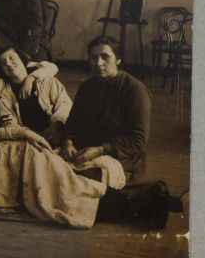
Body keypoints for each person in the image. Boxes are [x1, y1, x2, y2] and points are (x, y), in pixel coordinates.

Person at [62, 36, 153, 186]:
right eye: (94, 57)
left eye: (105, 57)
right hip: (86, 148)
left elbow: (138, 139)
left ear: (118, 59)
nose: (99, 63)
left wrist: (101, 150)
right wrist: (68, 142)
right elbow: (73, 122)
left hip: (123, 155)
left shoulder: (134, 90)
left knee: (82, 178)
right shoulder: (87, 87)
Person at [0, 46, 71, 142]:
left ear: (22, 60)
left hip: (57, 132)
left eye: (12, 58)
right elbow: (9, 123)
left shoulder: (47, 81)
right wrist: (28, 135)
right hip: (28, 139)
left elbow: (64, 104)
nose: (8, 63)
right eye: (3, 63)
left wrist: (57, 124)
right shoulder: (5, 95)